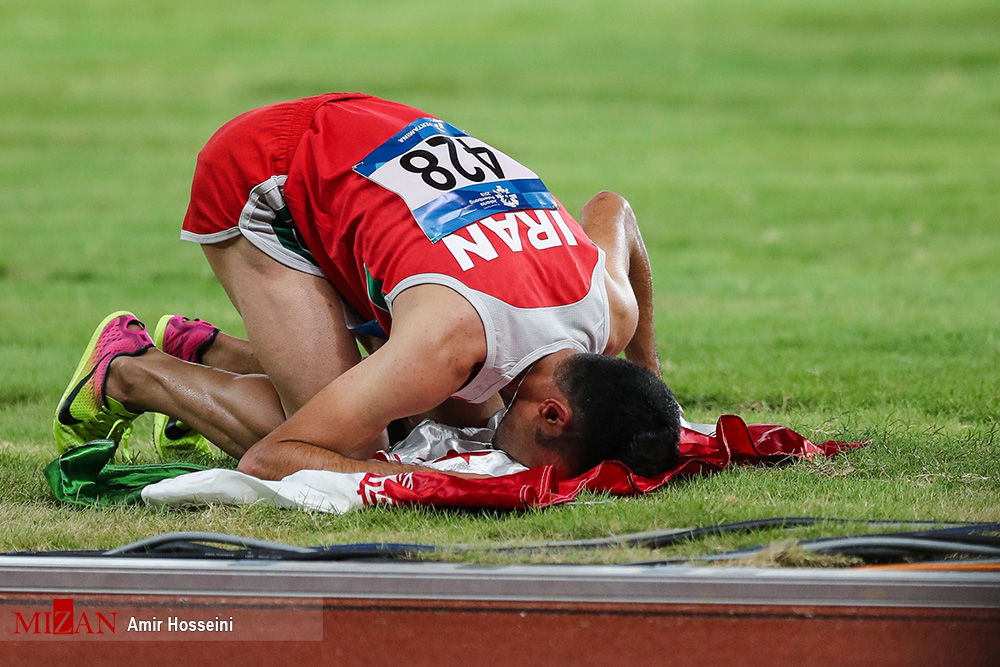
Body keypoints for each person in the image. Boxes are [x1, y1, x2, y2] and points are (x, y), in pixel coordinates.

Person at [54, 92, 681, 480]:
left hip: (366, 140)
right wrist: (418, 485)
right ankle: (131, 371)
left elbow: (612, 209)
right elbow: (273, 458)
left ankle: (208, 352)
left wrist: (650, 375)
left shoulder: (608, 304)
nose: (516, 472)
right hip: (267, 174)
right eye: (540, 470)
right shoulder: (448, 342)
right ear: (552, 411)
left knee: (456, 415)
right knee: (364, 447)